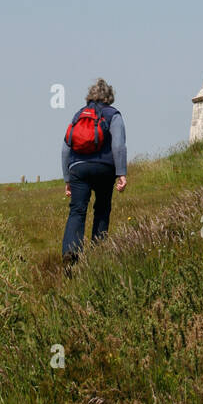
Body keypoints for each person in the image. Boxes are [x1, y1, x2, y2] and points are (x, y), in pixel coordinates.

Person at [61, 78, 127, 268]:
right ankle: (98, 253)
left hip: (78, 168)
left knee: (77, 211)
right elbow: (118, 145)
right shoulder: (113, 114)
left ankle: (71, 252)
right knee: (102, 208)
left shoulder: (78, 115)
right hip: (104, 168)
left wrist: (67, 178)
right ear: (109, 97)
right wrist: (121, 173)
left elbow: (65, 148)